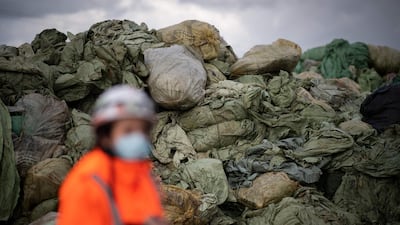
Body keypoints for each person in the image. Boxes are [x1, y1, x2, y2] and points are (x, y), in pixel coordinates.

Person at [57, 85, 166, 225]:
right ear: (105, 135)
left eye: (143, 131)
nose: (138, 137)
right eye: (128, 131)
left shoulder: (141, 174)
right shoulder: (88, 182)